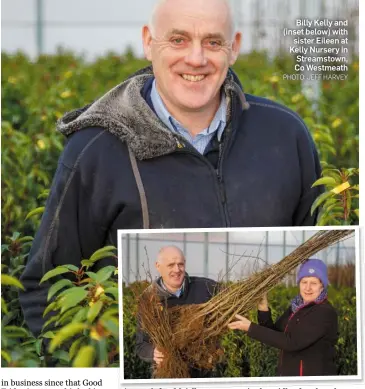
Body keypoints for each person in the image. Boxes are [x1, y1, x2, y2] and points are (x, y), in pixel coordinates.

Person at [20, 0, 322, 338]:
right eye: (178, 40)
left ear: (233, 48)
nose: (196, 58)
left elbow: (308, 265)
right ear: (149, 43)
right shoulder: (95, 151)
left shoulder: (287, 135)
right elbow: (46, 288)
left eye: (213, 41)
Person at [228, 259, 338, 376]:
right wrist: (263, 308)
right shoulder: (296, 307)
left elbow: (291, 342)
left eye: (314, 283)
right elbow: (275, 333)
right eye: (304, 282)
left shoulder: (324, 312)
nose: (307, 288)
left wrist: (250, 327)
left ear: (323, 286)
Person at [136, 245, 218, 378]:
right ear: (158, 266)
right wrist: (153, 352)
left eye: (181, 264)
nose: (177, 269)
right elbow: (141, 345)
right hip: (168, 374)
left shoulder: (207, 288)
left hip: (204, 373)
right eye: (171, 265)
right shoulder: (148, 300)